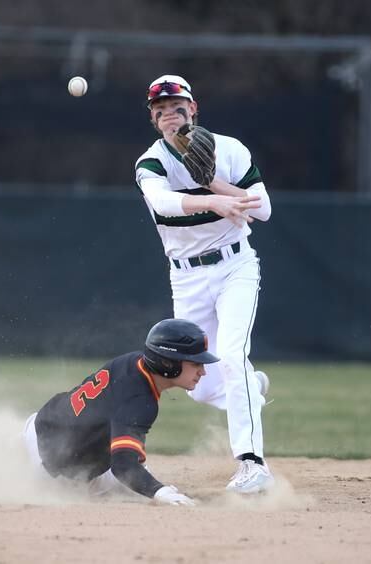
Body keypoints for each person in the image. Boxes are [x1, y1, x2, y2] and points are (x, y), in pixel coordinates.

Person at [133, 74, 274, 494]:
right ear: (154, 121)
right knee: (195, 380)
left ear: (193, 109)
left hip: (236, 268)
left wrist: (214, 181)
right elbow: (162, 202)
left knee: (231, 355)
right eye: (159, 112)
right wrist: (212, 198)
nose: (168, 117)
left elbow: (263, 209)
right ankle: (251, 386)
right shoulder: (151, 162)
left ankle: (252, 465)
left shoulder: (229, 149)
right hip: (187, 276)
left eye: (176, 107)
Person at [23, 318, 219, 505]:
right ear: (168, 363)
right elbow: (123, 465)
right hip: (55, 474)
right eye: (195, 363)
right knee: (149, 487)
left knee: (139, 480)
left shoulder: (132, 362)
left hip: (42, 424)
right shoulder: (139, 401)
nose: (202, 371)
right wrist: (160, 492)